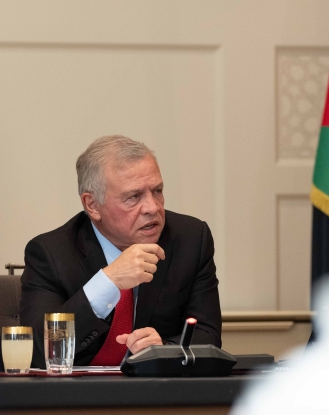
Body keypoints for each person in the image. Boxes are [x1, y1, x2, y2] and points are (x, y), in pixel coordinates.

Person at [20, 135, 222, 367]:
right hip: (77, 388)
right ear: (92, 205)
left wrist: (165, 349)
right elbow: (37, 350)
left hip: (155, 388)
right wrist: (108, 281)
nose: (152, 207)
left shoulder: (190, 239)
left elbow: (208, 336)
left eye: (157, 191)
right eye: (134, 197)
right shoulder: (51, 254)